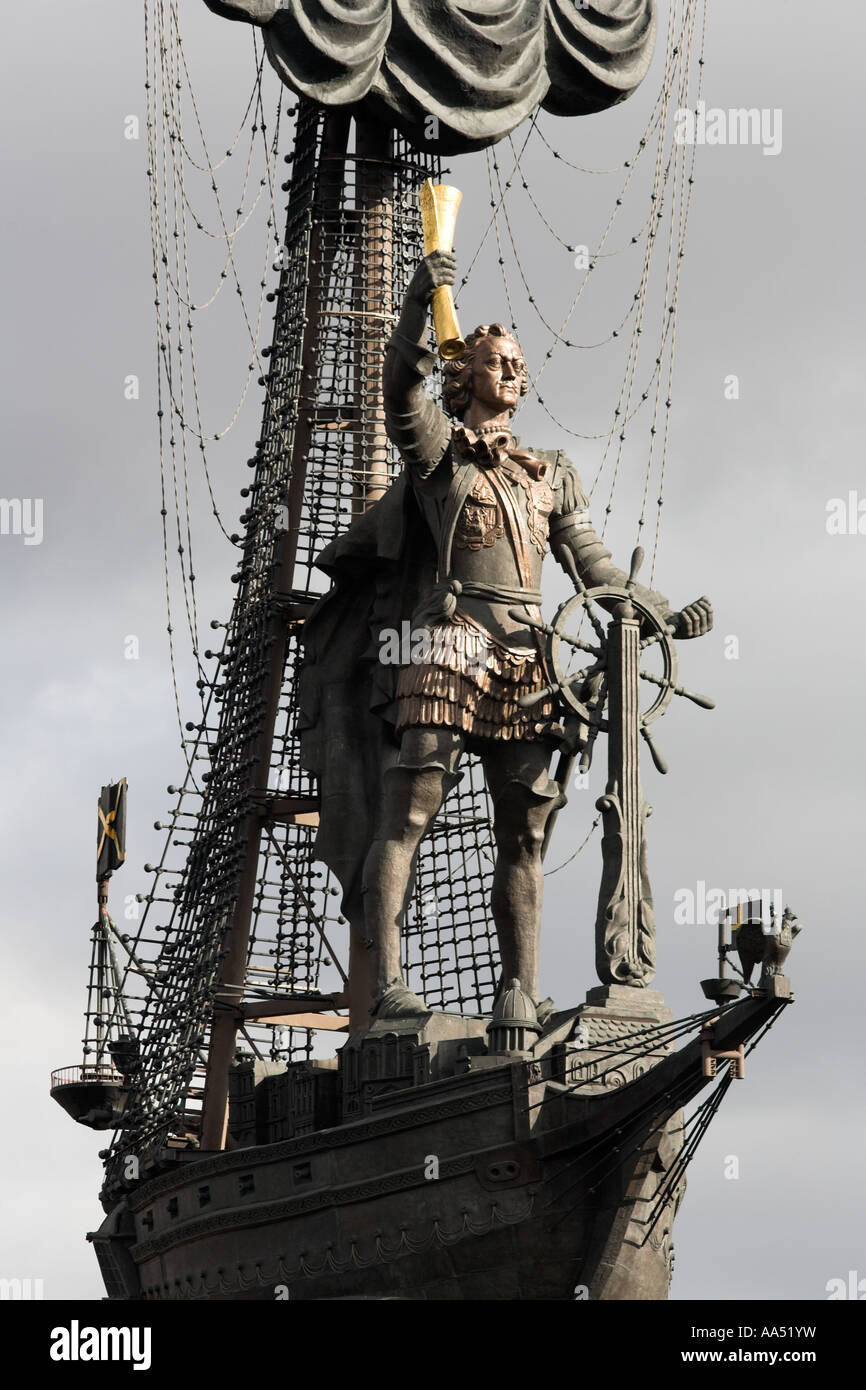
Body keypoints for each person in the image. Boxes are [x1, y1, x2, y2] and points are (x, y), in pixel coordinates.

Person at [356, 249, 713, 1016]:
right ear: (467, 375)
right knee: (411, 813)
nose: (514, 372)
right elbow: (398, 387)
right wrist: (423, 299)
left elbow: (596, 569)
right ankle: (386, 986)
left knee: (524, 834)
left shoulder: (550, 472)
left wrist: (658, 610)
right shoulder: (438, 457)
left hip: (530, 661)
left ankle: (519, 991)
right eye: (497, 361)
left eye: (518, 362)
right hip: (450, 647)